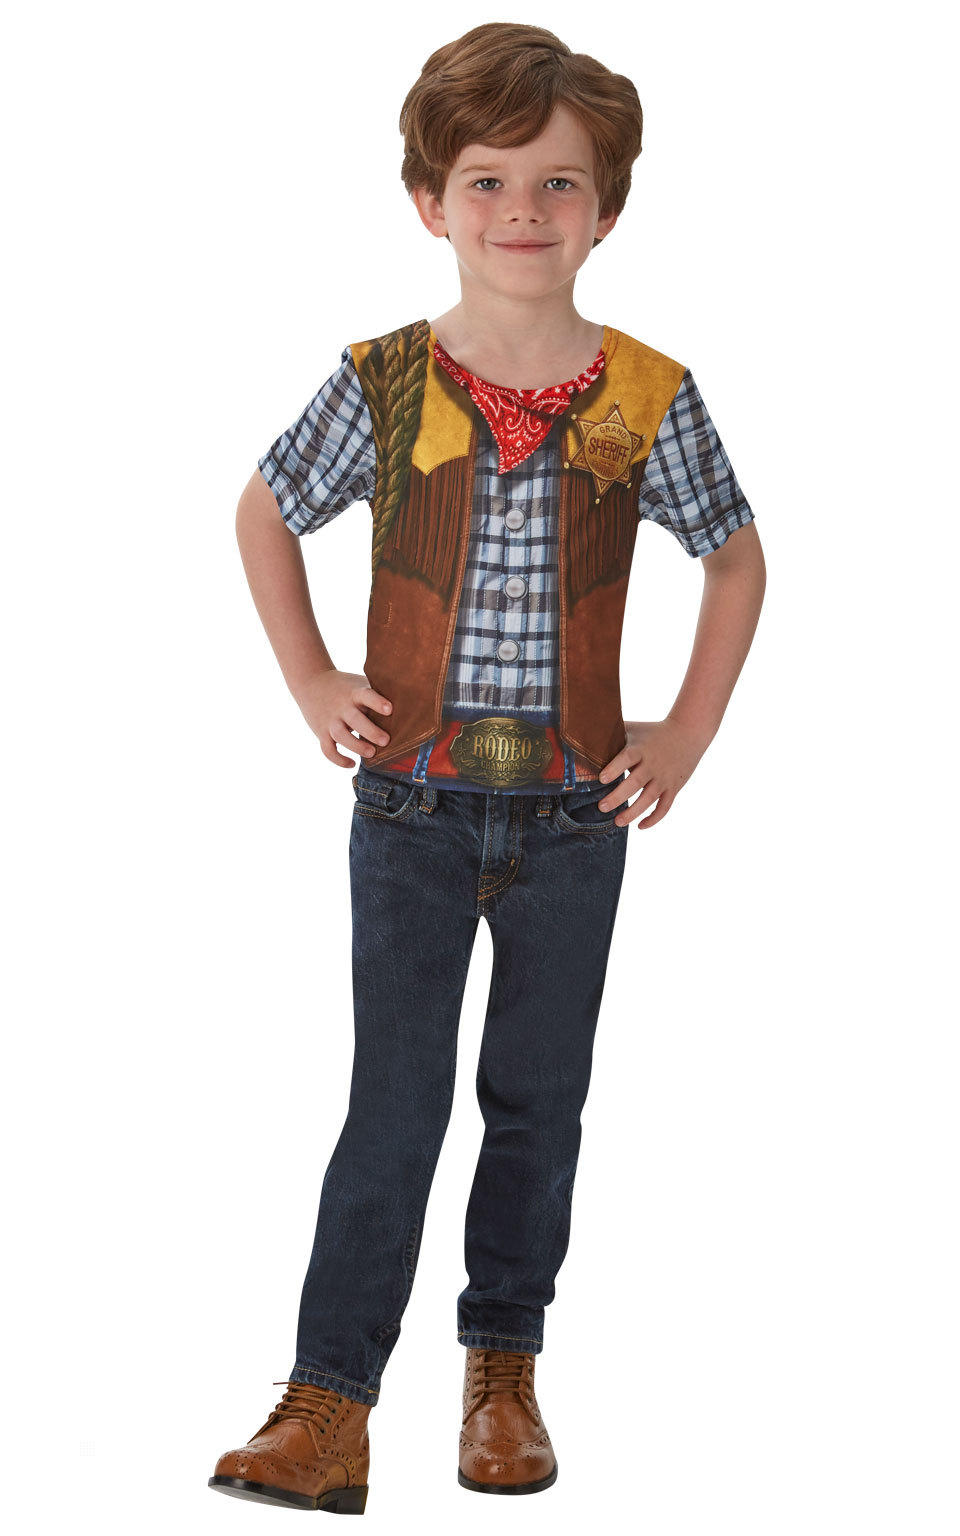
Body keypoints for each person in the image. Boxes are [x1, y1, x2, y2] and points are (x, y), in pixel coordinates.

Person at [209, 20, 766, 1514]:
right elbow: (264, 510)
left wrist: (685, 732)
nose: (525, 210)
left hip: (578, 818)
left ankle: (502, 1374)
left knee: (537, 1100)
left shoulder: (645, 394)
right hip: (411, 807)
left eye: (560, 182)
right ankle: (328, 1403)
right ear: (429, 202)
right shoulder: (385, 382)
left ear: (608, 208)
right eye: (488, 180)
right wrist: (312, 678)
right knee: (392, 1104)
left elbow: (736, 558)